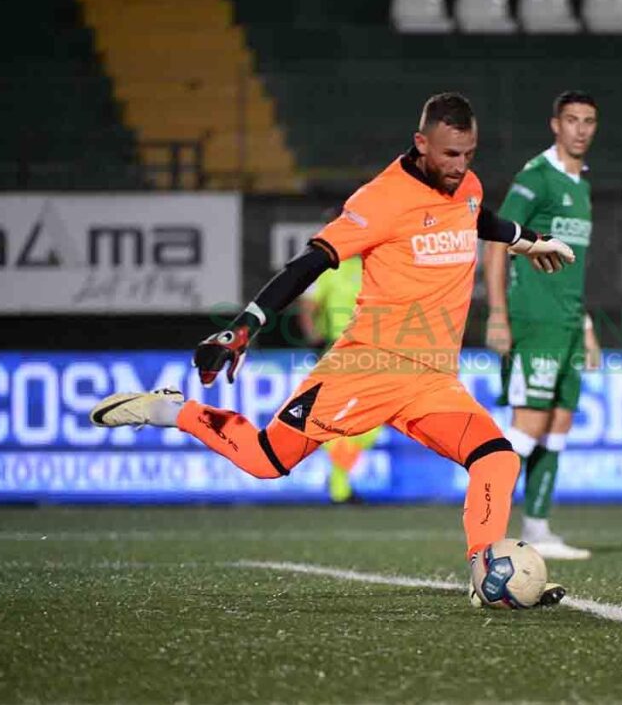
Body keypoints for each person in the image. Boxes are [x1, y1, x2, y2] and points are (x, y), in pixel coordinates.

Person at [89, 92, 575, 606]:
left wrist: (527, 238)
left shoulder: (466, 186)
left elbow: (476, 218)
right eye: (450, 155)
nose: (460, 167)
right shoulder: (381, 199)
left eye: (469, 154)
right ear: (420, 143)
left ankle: (483, 573)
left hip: (432, 380)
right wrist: (244, 325)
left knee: (497, 459)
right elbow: (310, 262)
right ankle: (173, 409)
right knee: (265, 460)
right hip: (366, 367)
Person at [483, 91, 599, 561]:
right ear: (555, 124)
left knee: (558, 425)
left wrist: (586, 325)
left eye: (589, 121)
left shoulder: (581, 184)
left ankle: (537, 529)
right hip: (534, 320)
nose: (581, 129)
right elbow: (495, 240)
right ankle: (485, 520)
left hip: (569, 323)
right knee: (527, 428)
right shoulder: (537, 177)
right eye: (572, 120)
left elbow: (573, 266)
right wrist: (496, 313)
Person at [297, 252, 381, 504]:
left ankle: (338, 480)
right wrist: (315, 338)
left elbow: (307, 306)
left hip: (373, 352)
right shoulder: (330, 267)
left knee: (371, 421)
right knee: (350, 418)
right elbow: (308, 306)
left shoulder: (373, 264)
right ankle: (339, 486)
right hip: (342, 351)